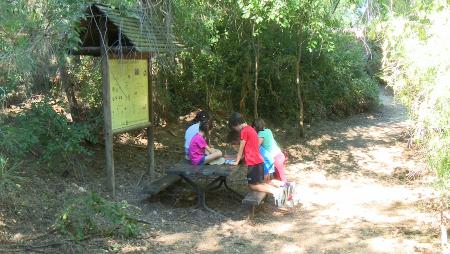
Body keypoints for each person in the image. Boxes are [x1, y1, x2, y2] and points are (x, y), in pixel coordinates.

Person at [228, 112, 286, 207]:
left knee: (253, 185)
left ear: (237, 124)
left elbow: (241, 148)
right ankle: (279, 190)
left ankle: (277, 192)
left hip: (253, 162)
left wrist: (237, 161)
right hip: (259, 161)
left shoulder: (244, 131)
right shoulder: (252, 129)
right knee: (259, 183)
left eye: (234, 128)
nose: (236, 130)